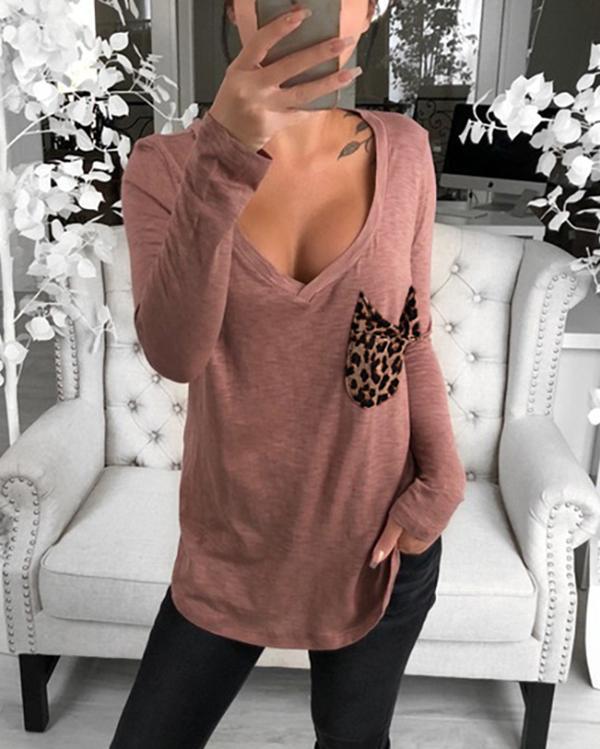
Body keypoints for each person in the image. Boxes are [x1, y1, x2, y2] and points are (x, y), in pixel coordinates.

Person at [110, 1, 466, 747]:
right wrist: (224, 153)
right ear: (233, 8)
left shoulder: (404, 149)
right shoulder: (165, 166)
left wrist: (441, 486)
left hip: (377, 536)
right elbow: (175, 354)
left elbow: (408, 334)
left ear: (367, 13)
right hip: (232, 543)